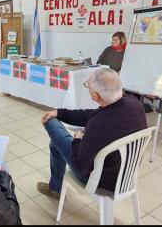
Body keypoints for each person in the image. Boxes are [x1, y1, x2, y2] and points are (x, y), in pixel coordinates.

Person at [37, 68, 147, 199]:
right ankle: (55, 188)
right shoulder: (134, 103)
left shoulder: (97, 125)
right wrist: (60, 113)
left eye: (87, 86)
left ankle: (55, 188)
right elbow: (92, 115)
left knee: (51, 122)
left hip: (99, 181)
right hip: (126, 175)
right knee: (56, 144)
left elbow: (78, 165)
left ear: (95, 96)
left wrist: (77, 140)